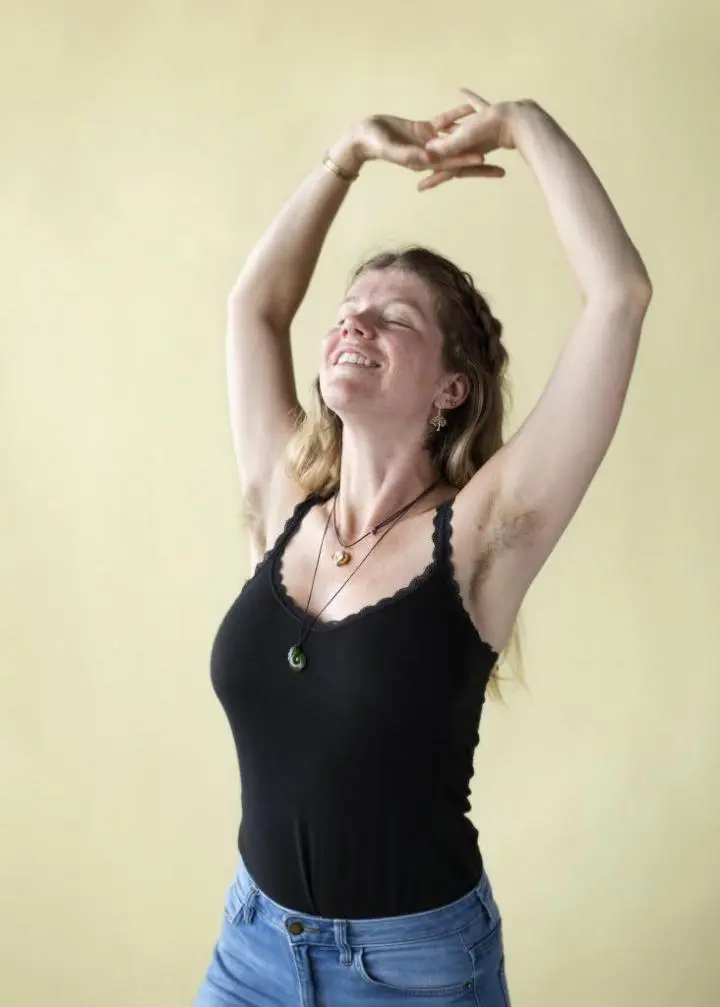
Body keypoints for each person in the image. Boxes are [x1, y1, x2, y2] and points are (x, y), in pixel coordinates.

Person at [194, 88, 652, 1006]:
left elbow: (619, 296)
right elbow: (255, 307)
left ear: (451, 388)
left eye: (395, 319)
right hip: (251, 948)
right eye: (351, 308)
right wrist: (344, 157)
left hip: (411, 973)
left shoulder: (481, 535)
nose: (355, 322)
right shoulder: (282, 502)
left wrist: (527, 125)